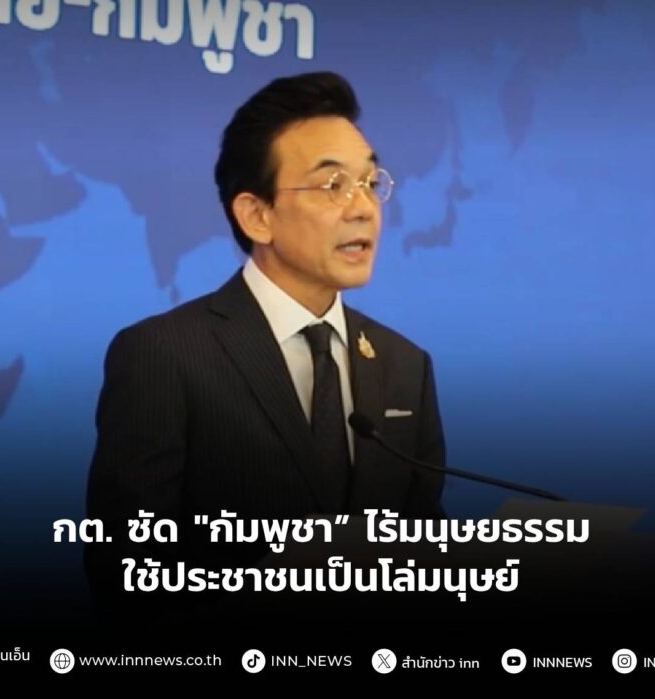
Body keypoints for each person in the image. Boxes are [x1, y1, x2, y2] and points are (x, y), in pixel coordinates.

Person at [83, 72, 446, 616]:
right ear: (257, 215)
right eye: (333, 185)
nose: (364, 208)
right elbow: (127, 571)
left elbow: (424, 558)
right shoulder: (166, 354)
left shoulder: (405, 366)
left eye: (371, 183)